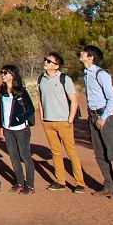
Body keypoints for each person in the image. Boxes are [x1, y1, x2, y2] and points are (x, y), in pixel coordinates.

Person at [80, 45, 113, 197]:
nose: (81, 54)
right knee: (99, 154)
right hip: (93, 116)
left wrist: (103, 118)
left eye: (84, 52)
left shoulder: (100, 74)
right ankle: (108, 186)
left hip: (105, 117)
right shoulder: (86, 74)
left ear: (91, 57)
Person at [37, 51, 85, 192]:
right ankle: (60, 181)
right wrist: (42, 115)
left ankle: (80, 183)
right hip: (48, 122)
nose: (45, 62)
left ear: (56, 66)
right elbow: (40, 98)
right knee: (56, 152)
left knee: (71, 152)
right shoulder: (41, 79)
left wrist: (70, 118)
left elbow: (74, 100)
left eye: (49, 61)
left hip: (63, 122)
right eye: (45, 60)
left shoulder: (65, 79)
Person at [0, 64, 36, 194]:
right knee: (13, 156)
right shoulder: (1, 89)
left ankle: (30, 186)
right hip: (7, 129)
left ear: (12, 75)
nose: (3, 75)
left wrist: (19, 119)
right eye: (2, 72)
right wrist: (2, 125)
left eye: (5, 73)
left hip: (21, 129)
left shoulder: (21, 91)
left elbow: (30, 109)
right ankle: (19, 182)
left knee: (25, 156)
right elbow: (2, 108)